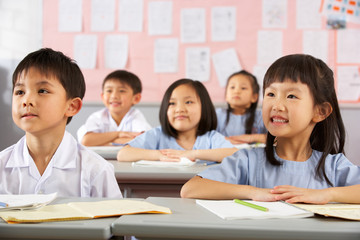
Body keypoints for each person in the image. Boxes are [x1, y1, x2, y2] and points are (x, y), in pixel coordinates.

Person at [181, 54, 360, 204]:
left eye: (291, 96)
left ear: (320, 111)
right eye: (271, 94)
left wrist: (327, 194)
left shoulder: (333, 166)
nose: (277, 105)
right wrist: (252, 192)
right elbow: (190, 189)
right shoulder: (248, 160)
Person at [0, 48, 122, 198]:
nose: (26, 101)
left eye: (42, 91)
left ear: (72, 106)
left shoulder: (96, 170)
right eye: (20, 92)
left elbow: (112, 220)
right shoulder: (1, 166)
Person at [117, 79, 237, 162]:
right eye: (172, 103)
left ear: (204, 107)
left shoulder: (211, 138)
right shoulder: (158, 135)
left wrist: (191, 154)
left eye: (188, 102)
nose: (179, 109)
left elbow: (235, 154)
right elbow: (123, 154)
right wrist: (158, 155)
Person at [77, 70, 151, 146]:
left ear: (136, 98)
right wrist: (118, 134)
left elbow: (144, 142)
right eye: (109, 91)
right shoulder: (98, 117)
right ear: (102, 97)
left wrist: (104, 141)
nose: (114, 96)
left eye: (122, 91)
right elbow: (86, 140)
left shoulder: (135, 116)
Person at [216, 70, 266, 144]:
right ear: (226, 95)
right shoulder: (218, 115)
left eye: (243, 88)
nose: (236, 91)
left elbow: (276, 139)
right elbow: (207, 138)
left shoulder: (262, 116)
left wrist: (250, 138)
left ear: (254, 97)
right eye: (232, 87)